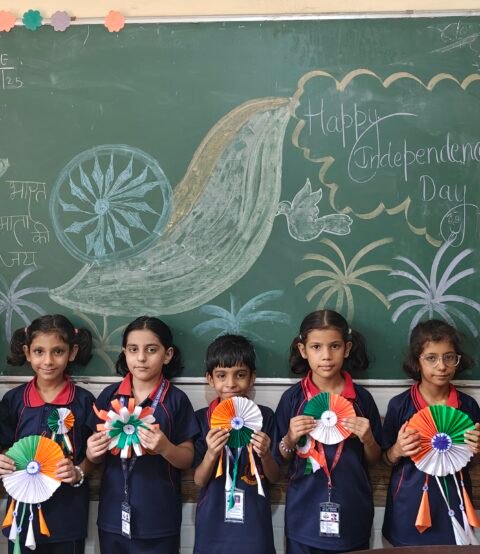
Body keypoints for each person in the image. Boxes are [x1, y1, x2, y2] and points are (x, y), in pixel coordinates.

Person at [86, 315, 198, 554]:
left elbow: (187, 457)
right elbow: (94, 456)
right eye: (133, 349)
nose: (141, 358)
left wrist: (165, 448)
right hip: (113, 515)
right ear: (124, 353)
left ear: (167, 354)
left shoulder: (176, 400)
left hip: (160, 519)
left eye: (151, 350)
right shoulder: (109, 397)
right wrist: (92, 453)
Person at [276, 309, 382, 554]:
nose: (326, 356)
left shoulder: (362, 400)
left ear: (347, 348)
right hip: (303, 516)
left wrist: (368, 439)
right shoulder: (293, 399)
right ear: (303, 350)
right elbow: (281, 455)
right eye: (316, 347)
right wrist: (290, 438)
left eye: (334, 346)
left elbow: (374, 459)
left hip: (353, 514)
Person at [0, 314, 95, 554]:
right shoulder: (13, 400)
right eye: (39, 351)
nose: (48, 361)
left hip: (67, 517)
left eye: (58, 351)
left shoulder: (84, 401)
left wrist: (79, 471)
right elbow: (3, 446)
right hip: (21, 516)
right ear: (27, 352)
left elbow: (96, 455)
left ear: (72, 352)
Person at [382, 319, 480, 546]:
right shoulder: (400, 405)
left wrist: (477, 449)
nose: (442, 366)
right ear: (417, 361)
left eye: (449, 357)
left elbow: (472, 461)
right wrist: (396, 450)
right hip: (409, 506)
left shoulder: (468, 406)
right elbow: (384, 458)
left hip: (455, 504)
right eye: (431, 358)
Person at [193, 334, 279, 554]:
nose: (231, 384)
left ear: (252, 378)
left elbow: (274, 477)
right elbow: (199, 480)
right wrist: (211, 454)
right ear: (210, 379)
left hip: (254, 523)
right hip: (212, 523)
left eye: (240, 375)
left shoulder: (265, 417)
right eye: (221, 375)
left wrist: (266, 454)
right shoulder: (202, 419)